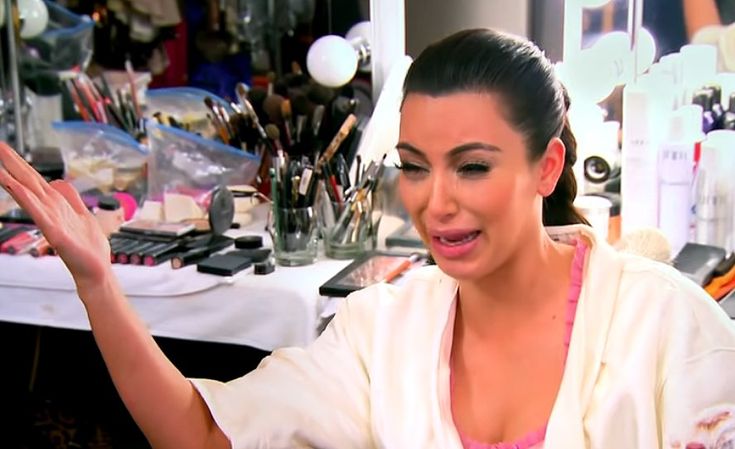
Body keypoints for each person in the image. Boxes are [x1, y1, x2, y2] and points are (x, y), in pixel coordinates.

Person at [2, 28, 735, 449]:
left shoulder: (666, 326)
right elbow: (203, 436)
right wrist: (98, 284)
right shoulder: (383, 328)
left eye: (472, 166)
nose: (435, 203)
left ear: (546, 165)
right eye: (414, 167)